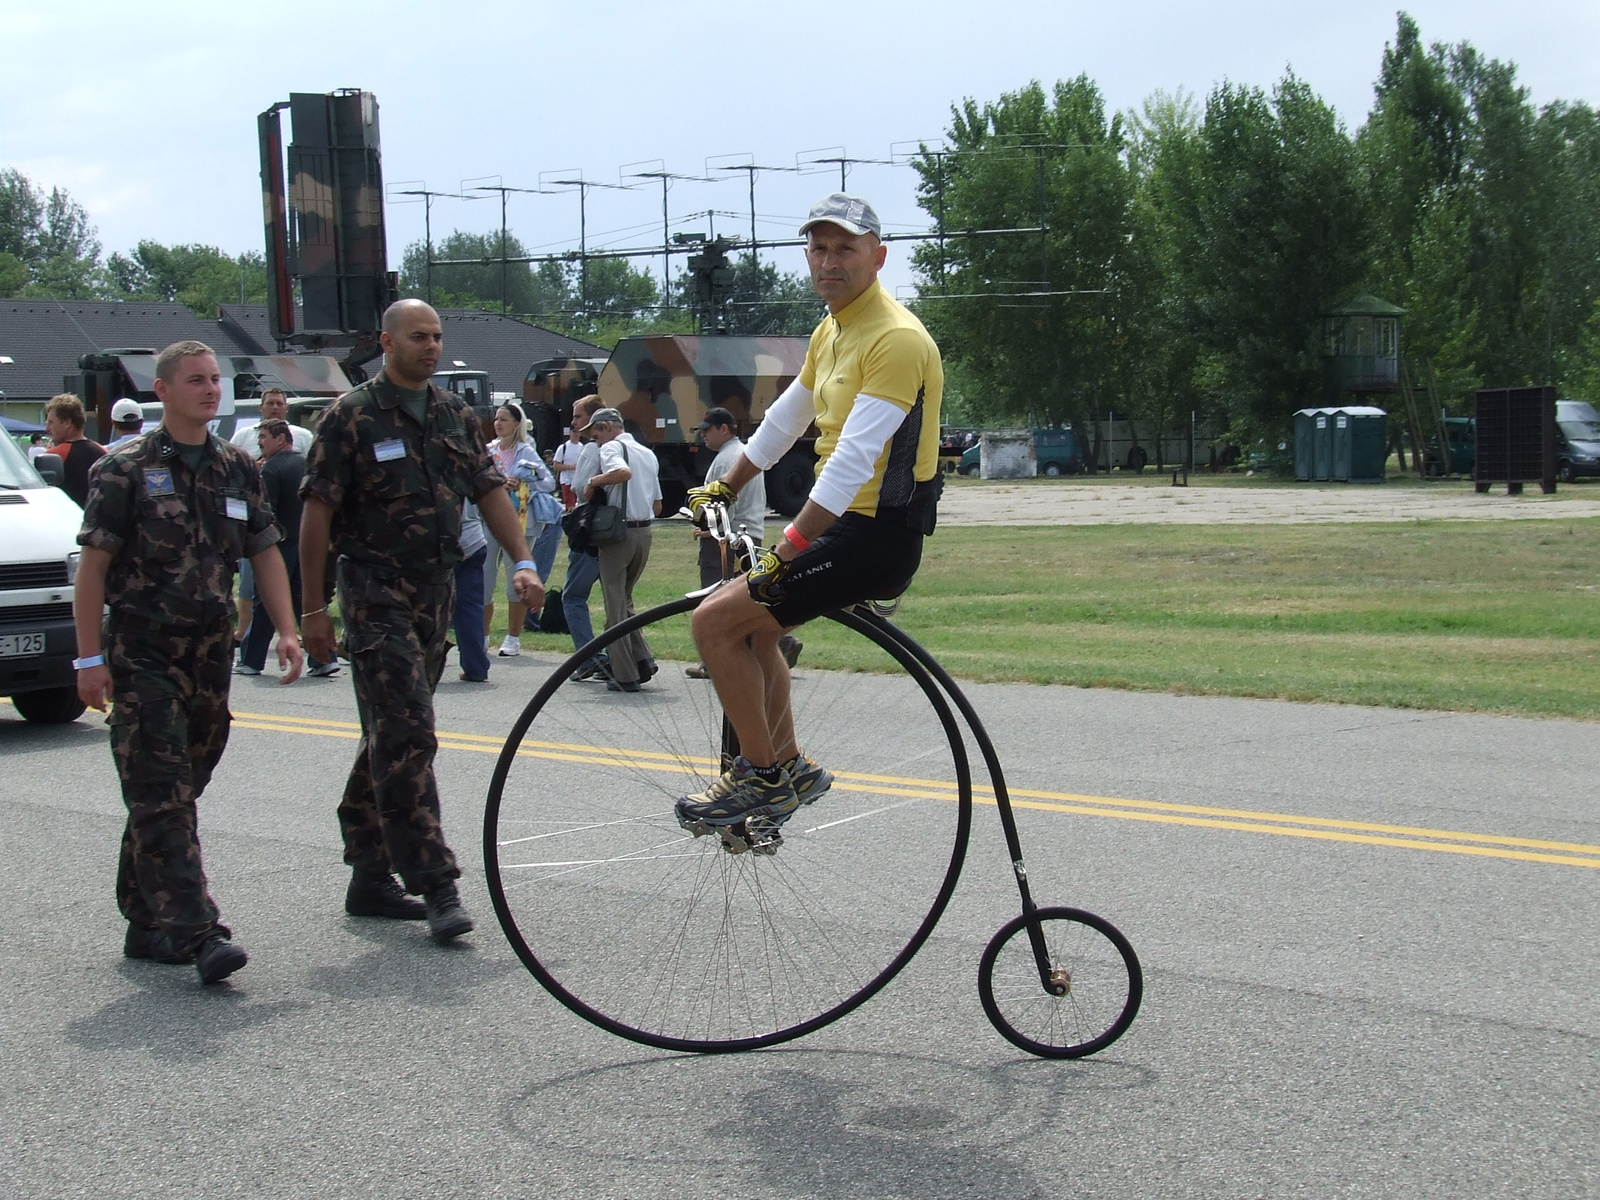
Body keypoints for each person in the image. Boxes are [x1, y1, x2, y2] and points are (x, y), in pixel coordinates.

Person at [676, 193, 943, 836]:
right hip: (846, 524)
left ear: (878, 257)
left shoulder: (897, 339)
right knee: (754, 629)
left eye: (845, 248)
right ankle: (791, 765)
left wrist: (786, 550)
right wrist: (724, 486)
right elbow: (785, 420)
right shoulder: (833, 329)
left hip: (877, 533)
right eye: (819, 248)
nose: (830, 261)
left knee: (713, 624)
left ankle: (761, 778)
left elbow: (852, 462)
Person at [298, 298, 544, 943]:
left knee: (390, 732)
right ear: (386, 342)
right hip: (372, 587)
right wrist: (311, 608)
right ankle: (435, 881)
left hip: (434, 589)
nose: (431, 346)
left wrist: (523, 560)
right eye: (418, 336)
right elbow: (316, 517)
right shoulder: (348, 418)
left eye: (437, 336)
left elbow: (490, 489)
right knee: (408, 729)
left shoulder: (453, 415)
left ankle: (369, 872)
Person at [72, 340, 305, 986]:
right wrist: (88, 658)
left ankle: (146, 917)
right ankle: (197, 931)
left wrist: (287, 630)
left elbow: (263, 552)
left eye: (216, 380)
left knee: (173, 788)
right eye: (196, 380)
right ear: (163, 390)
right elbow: (92, 569)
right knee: (163, 792)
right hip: (142, 652)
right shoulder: (123, 471)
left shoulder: (238, 467)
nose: (210, 390)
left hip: (210, 653)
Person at [235, 419, 338, 678]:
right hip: (305, 545)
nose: (260, 443)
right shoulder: (305, 464)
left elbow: (266, 513)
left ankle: (250, 659)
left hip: (279, 546)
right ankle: (325, 658)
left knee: (265, 603)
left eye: (264, 437)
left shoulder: (271, 469)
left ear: (280, 439)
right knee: (308, 603)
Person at [685, 406, 781, 680]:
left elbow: (727, 501)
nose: (703, 437)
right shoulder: (743, 455)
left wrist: (710, 530)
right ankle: (779, 644)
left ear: (723, 429)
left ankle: (713, 661)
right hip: (751, 534)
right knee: (746, 597)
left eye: (707, 431)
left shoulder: (727, 460)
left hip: (729, 539)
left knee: (714, 598)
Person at [584, 407, 662, 693]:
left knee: (614, 606)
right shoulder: (647, 452)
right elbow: (658, 505)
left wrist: (594, 482)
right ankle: (642, 659)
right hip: (645, 533)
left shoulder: (612, 449)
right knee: (626, 600)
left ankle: (624, 673)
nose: (597, 442)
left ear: (606, 427)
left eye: (596, 435)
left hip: (620, 534)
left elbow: (622, 472)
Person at [483, 401, 560, 657]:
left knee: (515, 580)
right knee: (484, 580)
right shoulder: (488, 451)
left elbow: (548, 482)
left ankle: (513, 637)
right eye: (496, 419)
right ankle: (482, 636)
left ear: (517, 424)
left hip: (520, 522)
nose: (498, 424)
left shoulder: (526, 452)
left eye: (504, 419)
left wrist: (525, 480)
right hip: (489, 521)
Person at [561, 394, 607, 678]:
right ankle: (626, 657)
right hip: (618, 530)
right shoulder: (625, 448)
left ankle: (588, 656)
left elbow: (579, 486)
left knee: (573, 596)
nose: (573, 422)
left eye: (578, 417)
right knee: (617, 598)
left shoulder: (592, 450)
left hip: (590, 529)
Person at [43, 393, 106, 507]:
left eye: (51, 422)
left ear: (67, 422)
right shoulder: (104, 453)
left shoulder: (54, 456)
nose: (47, 429)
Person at [231, 387, 313, 458]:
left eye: (279, 404)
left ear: (287, 408)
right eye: (270, 403)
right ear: (261, 407)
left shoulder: (304, 436)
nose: (275, 407)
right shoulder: (243, 435)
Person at [552, 422, 583, 509]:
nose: (576, 434)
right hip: (567, 481)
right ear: (570, 433)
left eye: (577, 432)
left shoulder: (582, 447)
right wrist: (570, 467)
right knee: (570, 506)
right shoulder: (563, 447)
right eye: (574, 432)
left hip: (579, 482)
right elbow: (556, 466)